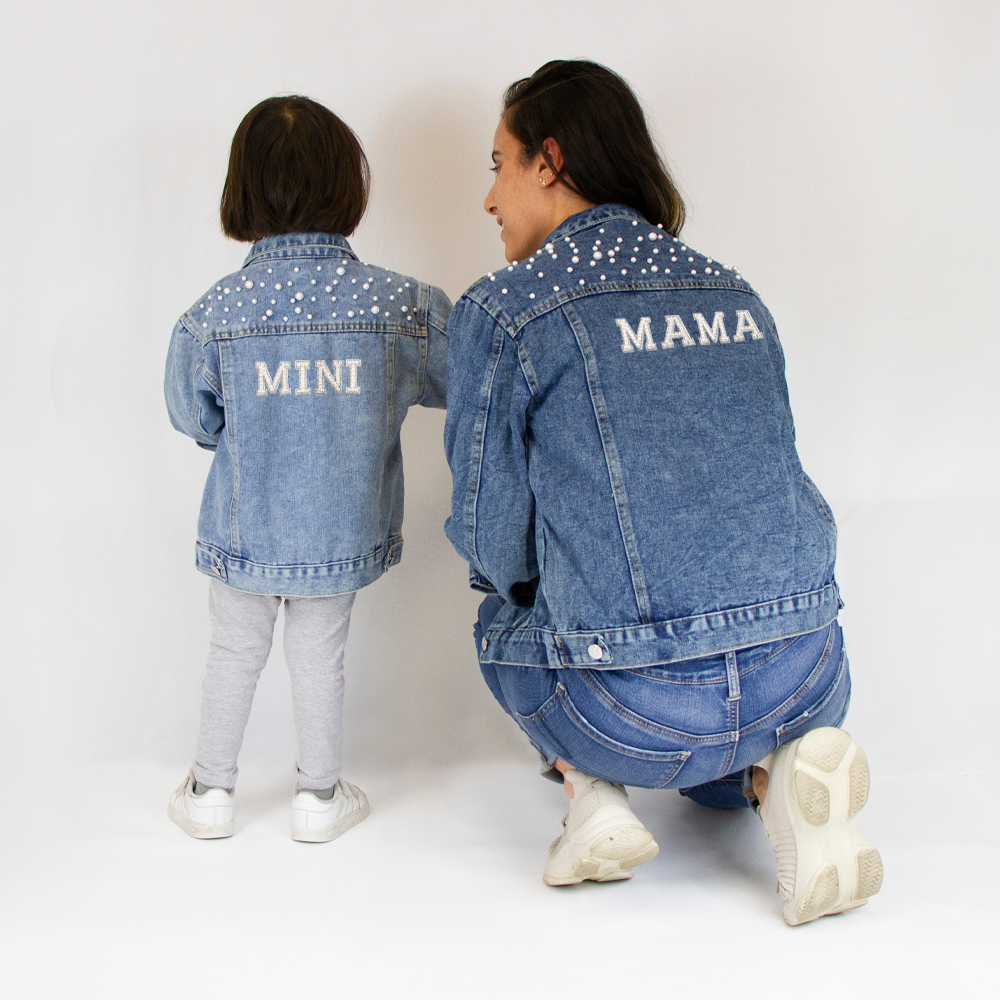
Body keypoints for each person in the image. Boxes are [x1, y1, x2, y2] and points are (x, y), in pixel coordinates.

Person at [443, 60, 882, 925]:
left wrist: (554, 593)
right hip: (806, 672)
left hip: (626, 710)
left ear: (549, 161)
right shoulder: (734, 291)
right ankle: (774, 775)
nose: (489, 198)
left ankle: (593, 794)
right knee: (721, 716)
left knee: (499, 621)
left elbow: (493, 536)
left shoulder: (506, 308)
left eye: (498, 165)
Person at [165, 96, 450, 842]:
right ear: (347, 184)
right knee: (320, 656)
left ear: (242, 189)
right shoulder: (400, 305)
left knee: (233, 652)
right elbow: (462, 379)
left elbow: (192, 415)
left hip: (244, 525)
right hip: (338, 527)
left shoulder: (214, 313)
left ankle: (209, 791)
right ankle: (318, 798)